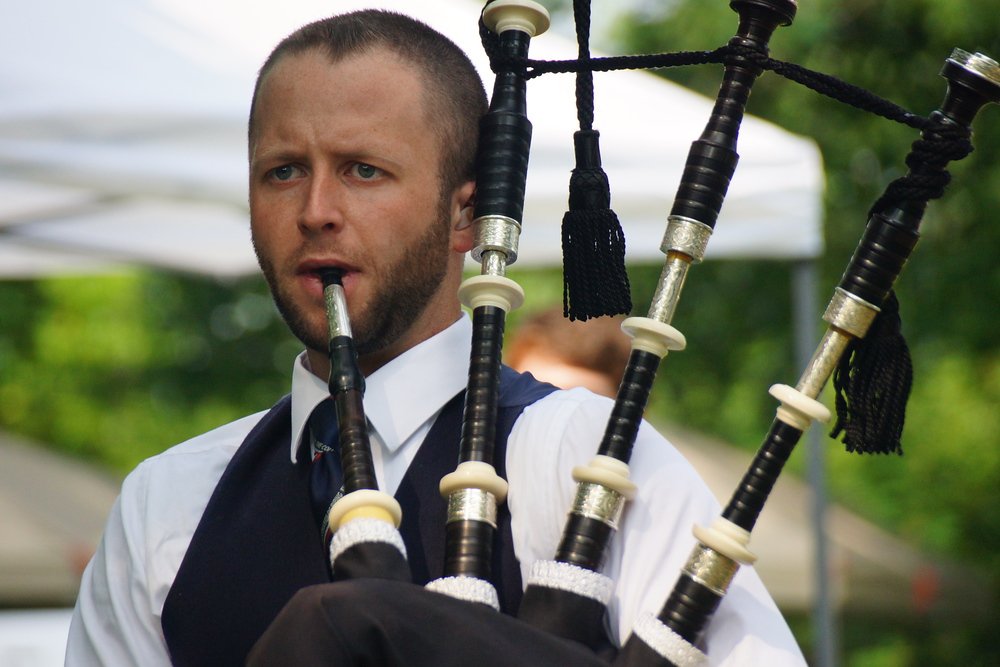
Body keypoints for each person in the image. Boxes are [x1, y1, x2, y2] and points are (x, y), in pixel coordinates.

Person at [66, 9, 806, 667]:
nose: (316, 209)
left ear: (467, 217)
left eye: (364, 170)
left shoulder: (578, 455)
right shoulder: (167, 510)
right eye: (283, 171)